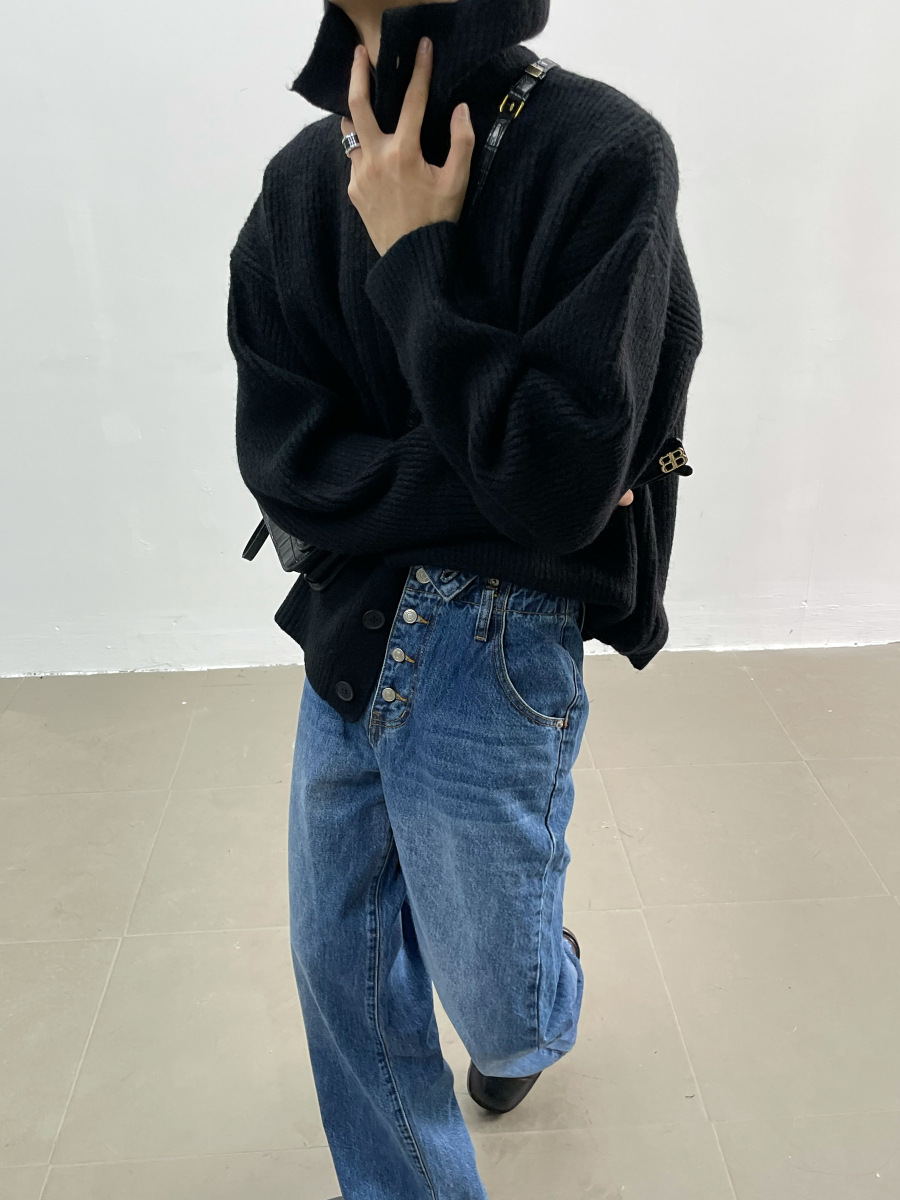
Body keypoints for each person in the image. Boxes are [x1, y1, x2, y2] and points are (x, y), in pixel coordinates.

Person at [226, 1, 703, 1195]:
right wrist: (496, 483)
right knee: (341, 979)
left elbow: (560, 480)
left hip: (497, 644)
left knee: (500, 1008)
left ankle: (545, 983)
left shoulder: (602, 155)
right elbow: (286, 462)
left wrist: (414, 256)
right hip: (346, 628)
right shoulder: (299, 183)